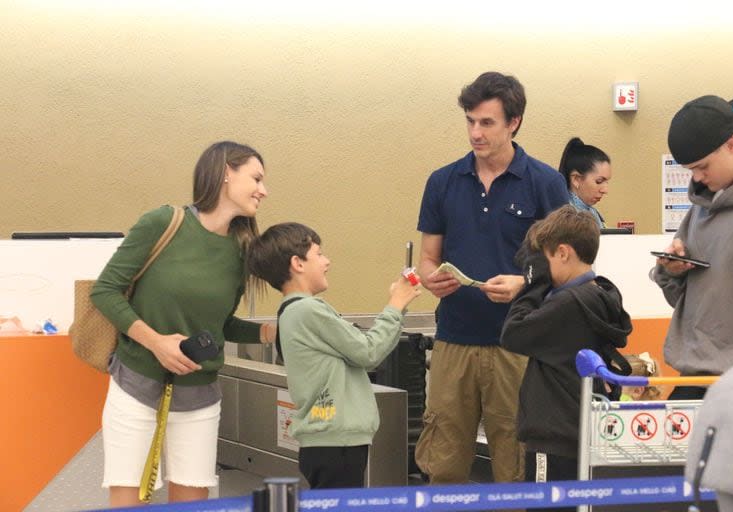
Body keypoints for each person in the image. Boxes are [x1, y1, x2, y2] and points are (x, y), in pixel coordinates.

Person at [91, 141, 276, 507]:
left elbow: (220, 325)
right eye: (256, 178)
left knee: (193, 504)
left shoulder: (241, 251)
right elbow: (106, 291)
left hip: (200, 395)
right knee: (128, 500)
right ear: (226, 172)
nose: (263, 190)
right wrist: (156, 342)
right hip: (136, 387)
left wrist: (269, 332)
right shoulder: (163, 223)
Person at [414, 71, 570, 485]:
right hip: (453, 342)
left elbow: (567, 267)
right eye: (470, 121)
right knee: (443, 460)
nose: (475, 133)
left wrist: (524, 283)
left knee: (515, 461)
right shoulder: (443, 182)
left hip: (518, 345)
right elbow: (428, 259)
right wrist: (431, 278)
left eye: (487, 123)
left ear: (513, 122)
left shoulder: (545, 183)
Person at [247, 222, 421, 489]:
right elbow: (368, 351)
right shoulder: (308, 310)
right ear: (298, 263)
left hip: (327, 441)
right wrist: (396, 304)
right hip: (336, 443)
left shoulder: (292, 312)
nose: (327, 261)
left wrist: (397, 307)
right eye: (319, 253)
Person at [499, 205, 632, 512]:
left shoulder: (570, 304)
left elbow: (513, 333)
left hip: (554, 438)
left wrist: (533, 280)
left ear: (562, 253)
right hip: (578, 432)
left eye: (542, 259)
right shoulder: (598, 292)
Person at [653, 93, 733, 400]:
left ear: (732, 144)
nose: (697, 177)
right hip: (693, 378)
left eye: (702, 166)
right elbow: (684, 302)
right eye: (690, 170)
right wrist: (673, 272)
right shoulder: (700, 209)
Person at [557, 137, 612, 227]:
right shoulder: (567, 219)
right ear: (576, 179)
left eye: (606, 182)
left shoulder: (591, 211)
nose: (605, 190)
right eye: (599, 181)